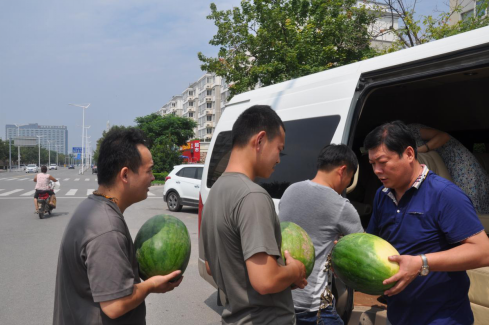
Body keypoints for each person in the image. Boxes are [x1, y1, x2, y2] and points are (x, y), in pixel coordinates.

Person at [53, 128, 183, 325]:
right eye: (148, 170)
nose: (152, 177)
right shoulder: (106, 228)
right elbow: (115, 305)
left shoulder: (92, 207)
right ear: (125, 174)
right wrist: (150, 285)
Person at [364, 121, 489, 325]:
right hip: (398, 315)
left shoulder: (445, 194)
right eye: (372, 164)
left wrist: (421, 262)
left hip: (443, 318)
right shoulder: (382, 195)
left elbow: (483, 251)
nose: (377, 170)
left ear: (410, 154)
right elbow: (372, 243)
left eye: (383, 162)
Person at [200, 105, 307, 325]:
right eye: (279, 149)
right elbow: (265, 280)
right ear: (259, 141)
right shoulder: (253, 195)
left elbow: (212, 266)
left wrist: (281, 276)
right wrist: (294, 271)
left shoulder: (215, 192)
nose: (279, 159)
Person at [279, 144, 364, 325]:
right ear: (342, 171)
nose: (347, 184)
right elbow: (362, 251)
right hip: (312, 305)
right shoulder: (340, 205)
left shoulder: (290, 190)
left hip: (282, 295)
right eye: (350, 178)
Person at [407, 123, 489, 214]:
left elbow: (444, 136)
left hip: (459, 160)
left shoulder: (410, 130)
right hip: (448, 163)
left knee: (470, 202)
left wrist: (421, 150)